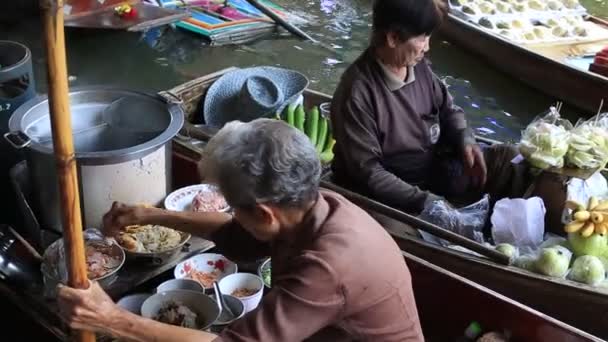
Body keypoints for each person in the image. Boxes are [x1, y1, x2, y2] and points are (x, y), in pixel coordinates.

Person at [58, 119, 424, 342]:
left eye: (234, 206)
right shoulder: (308, 203)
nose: (233, 215)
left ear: (265, 213)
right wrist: (151, 215)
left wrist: (113, 320)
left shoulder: (329, 266)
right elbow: (236, 235)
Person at [330, 0, 528, 214]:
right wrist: (427, 201)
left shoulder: (418, 65)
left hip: (433, 170)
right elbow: (370, 173)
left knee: (509, 159)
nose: (427, 46)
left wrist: (465, 137)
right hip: (388, 197)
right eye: (423, 38)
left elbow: (449, 110)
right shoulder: (357, 92)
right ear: (393, 38)